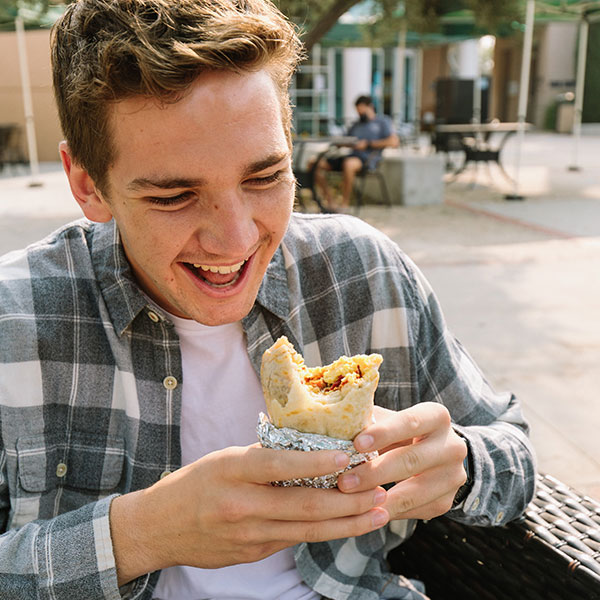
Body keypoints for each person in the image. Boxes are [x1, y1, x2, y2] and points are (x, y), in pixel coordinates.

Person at [0, 1, 536, 599]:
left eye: (264, 178)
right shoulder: (14, 319)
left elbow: (513, 453)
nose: (236, 238)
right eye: (175, 195)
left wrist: (458, 466)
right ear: (86, 184)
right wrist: (139, 535)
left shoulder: (361, 274)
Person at [313, 95, 399, 210]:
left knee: (349, 164)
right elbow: (347, 140)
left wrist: (368, 144)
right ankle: (330, 202)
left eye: (362, 112)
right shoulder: (356, 124)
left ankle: (345, 204)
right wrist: (340, 142)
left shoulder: (382, 122)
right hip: (351, 156)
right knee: (316, 164)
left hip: (368, 159)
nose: (360, 115)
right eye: (358, 112)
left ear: (370, 107)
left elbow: (393, 142)